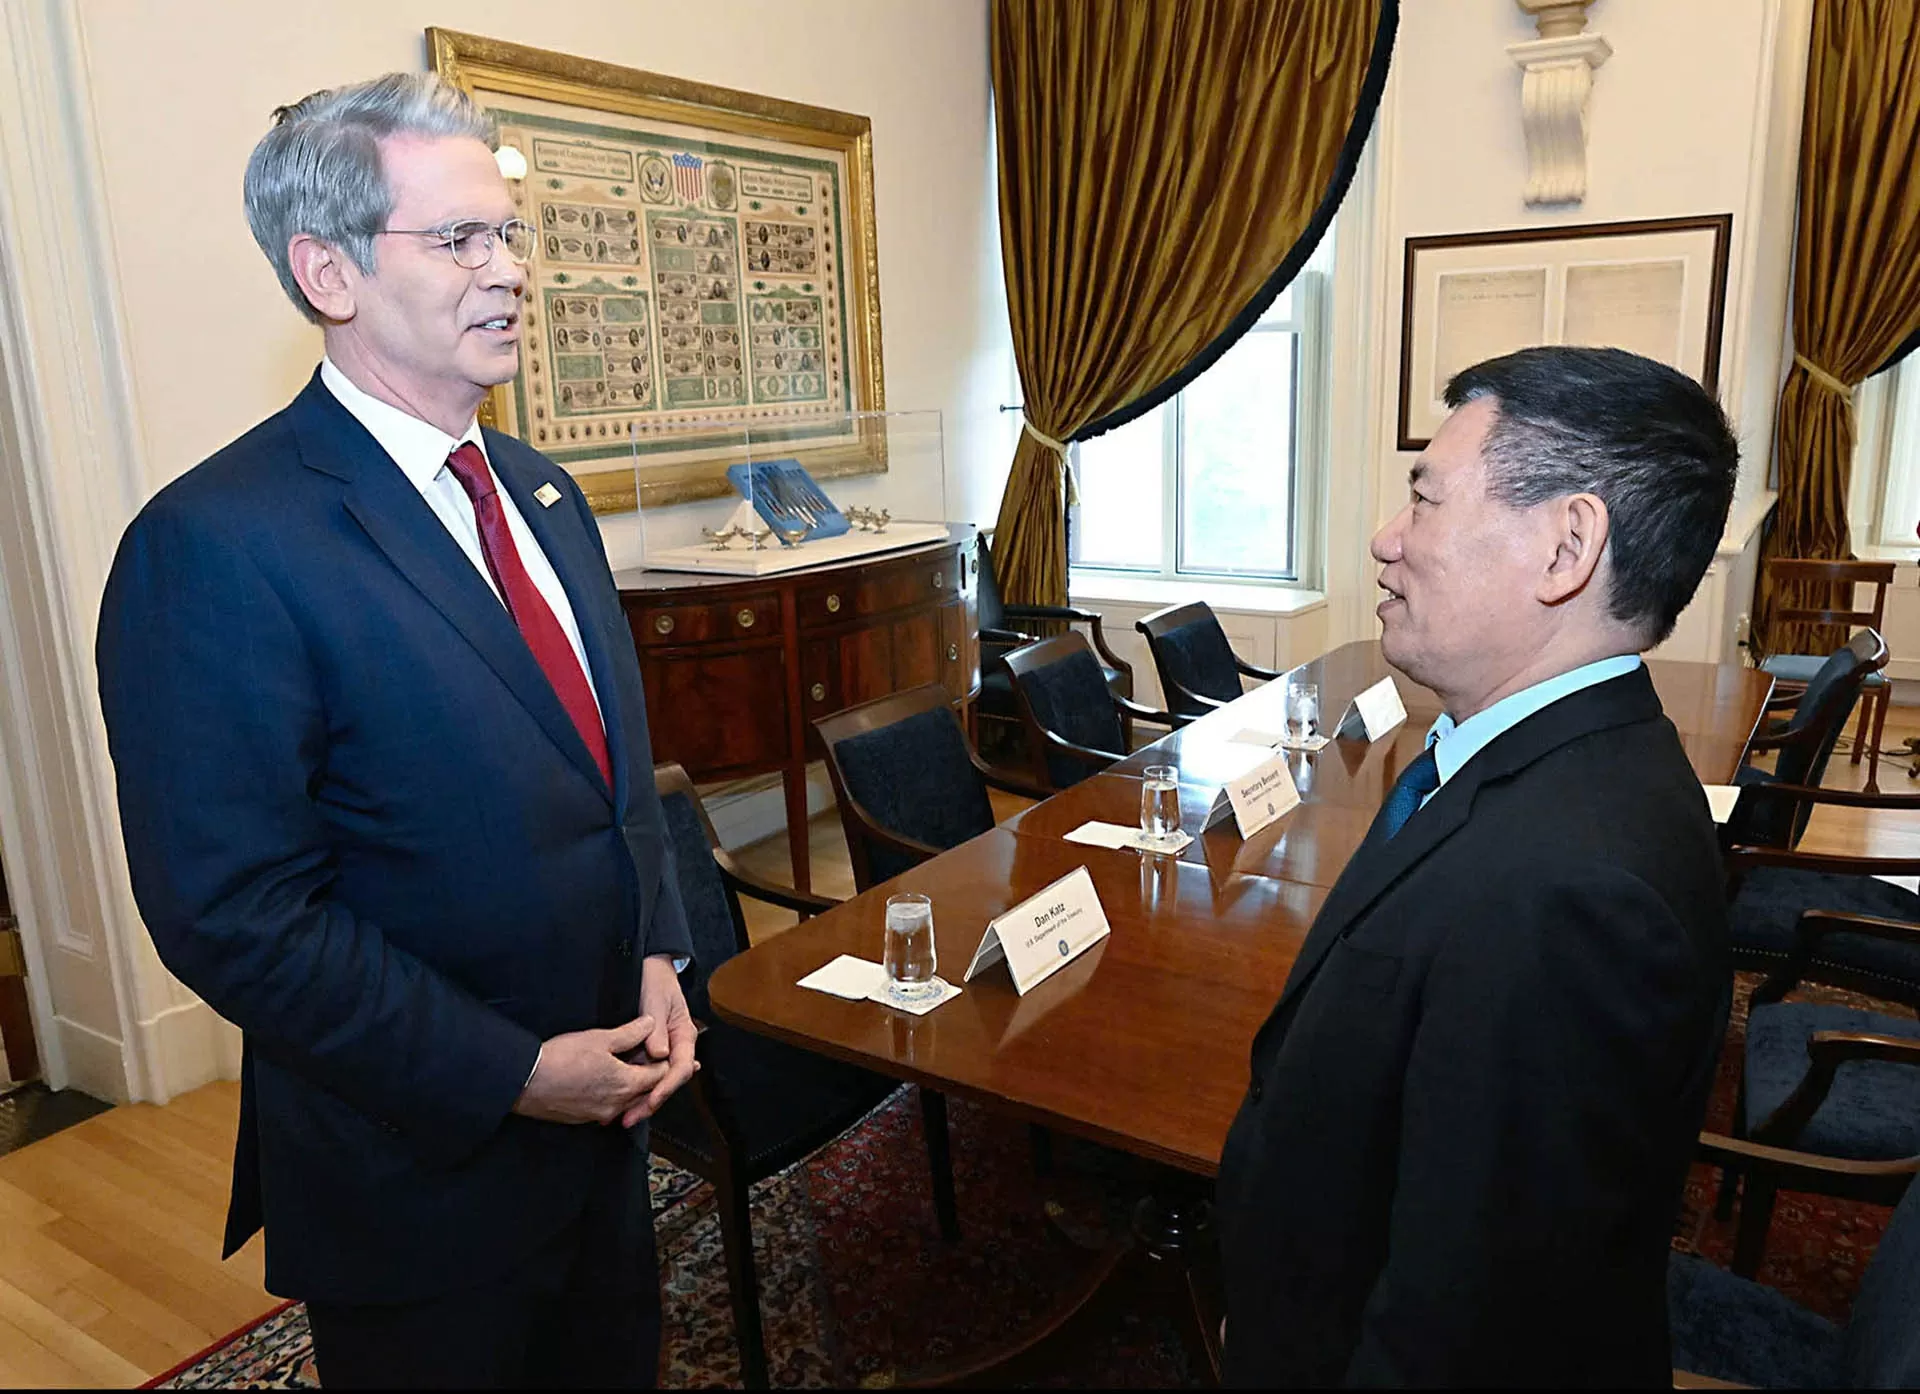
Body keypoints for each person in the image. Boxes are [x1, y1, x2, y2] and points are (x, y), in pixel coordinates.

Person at [95, 74, 696, 1389]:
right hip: (420, 1175)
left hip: (608, 1126)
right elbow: (235, 911)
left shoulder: (539, 490)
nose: (512, 270)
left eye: (510, 233)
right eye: (461, 239)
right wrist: (516, 1073)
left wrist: (658, 946)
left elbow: (612, 776)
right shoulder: (215, 545)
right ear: (329, 271)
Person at [1217, 346, 1739, 1387]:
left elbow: (1473, 1325)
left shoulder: (1573, 893)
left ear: (1565, 548)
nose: (1385, 539)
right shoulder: (1550, 761)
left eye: (1425, 499)